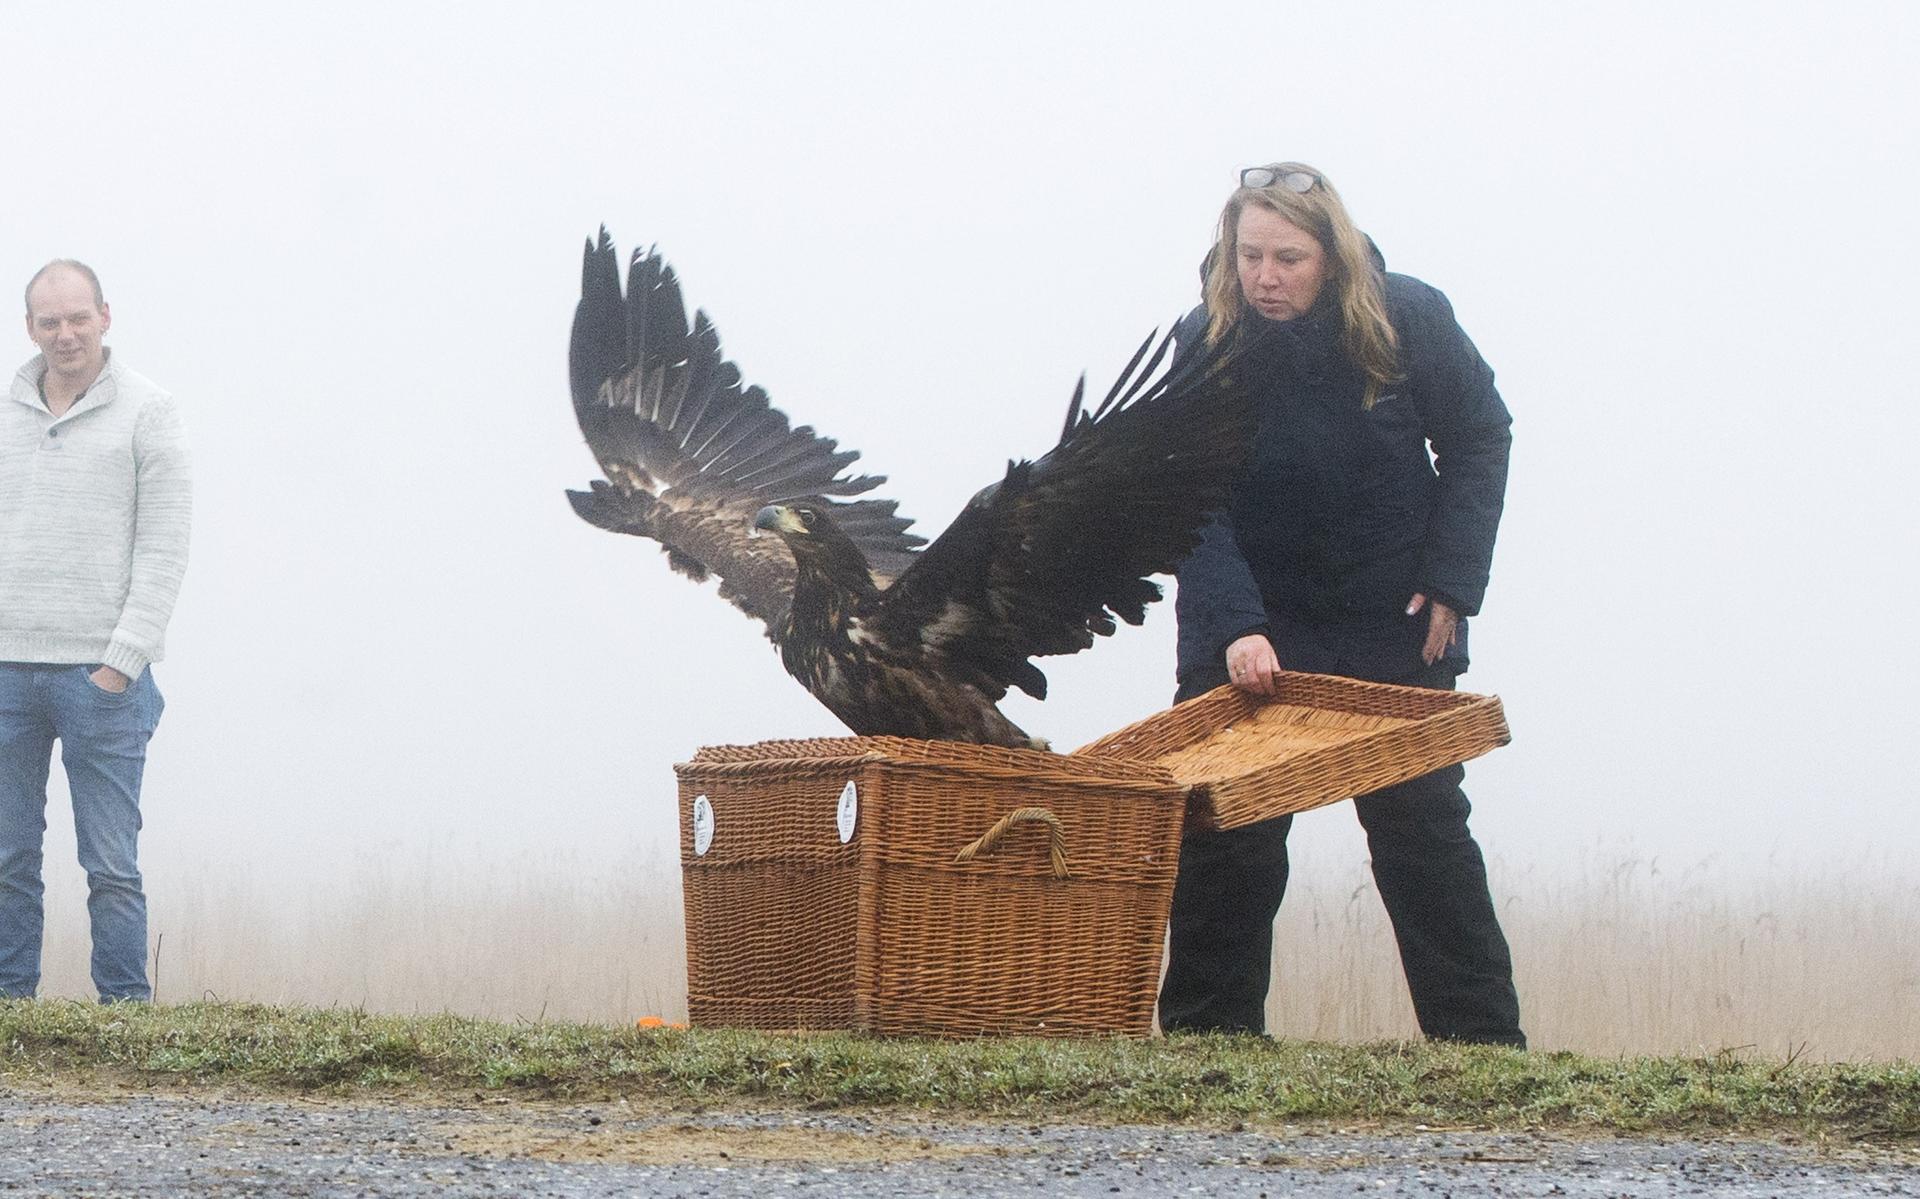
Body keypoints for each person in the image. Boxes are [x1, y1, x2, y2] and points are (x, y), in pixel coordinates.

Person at [1159, 163, 1524, 1047]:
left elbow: (1482, 436)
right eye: (1249, 256)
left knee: (1422, 832)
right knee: (1225, 833)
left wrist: (1452, 583)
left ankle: (1481, 1048)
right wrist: (1237, 623)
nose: (1265, 277)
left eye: (1288, 257)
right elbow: (1184, 499)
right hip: (1254, 620)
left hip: (1390, 618)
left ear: (1334, 257)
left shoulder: (1408, 318)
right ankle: (1212, 1042)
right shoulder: (1204, 340)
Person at [0, 260, 191, 1002]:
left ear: (105, 316)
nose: (65, 333)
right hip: (7, 671)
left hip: (101, 679)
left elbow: (165, 545)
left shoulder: (150, 410)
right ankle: (11, 1013)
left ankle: (123, 1019)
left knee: (111, 865)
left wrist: (121, 661)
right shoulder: (6, 412)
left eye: (78, 317)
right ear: (30, 328)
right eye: (50, 321)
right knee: (9, 858)